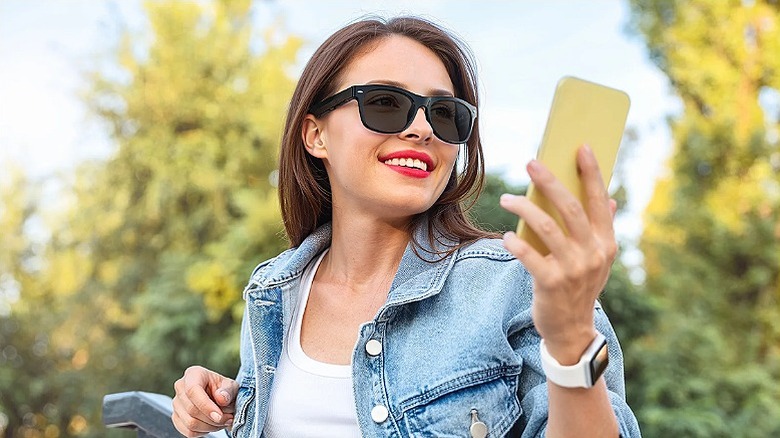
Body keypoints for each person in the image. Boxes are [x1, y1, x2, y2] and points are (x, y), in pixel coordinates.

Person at [171, 15, 641, 438]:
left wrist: (572, 340)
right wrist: (218, 409)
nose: (422, 129)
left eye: (444, 113)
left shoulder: (520, 284)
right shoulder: (271, 290)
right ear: (315, 135)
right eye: (385, 102)